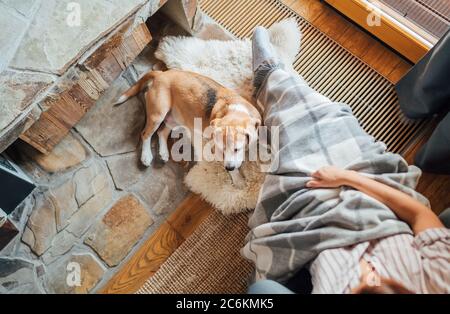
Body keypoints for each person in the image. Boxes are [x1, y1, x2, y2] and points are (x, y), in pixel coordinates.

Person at [245, 26, 450, 294]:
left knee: (295, 163)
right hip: (374, 210)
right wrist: (348, 178)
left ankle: (270, 78)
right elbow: (418, 213)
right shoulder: (441, 280)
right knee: (335, 123)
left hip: (314, 230)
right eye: (376, 274)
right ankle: (273, 78)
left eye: (360, 281)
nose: (368, 267)